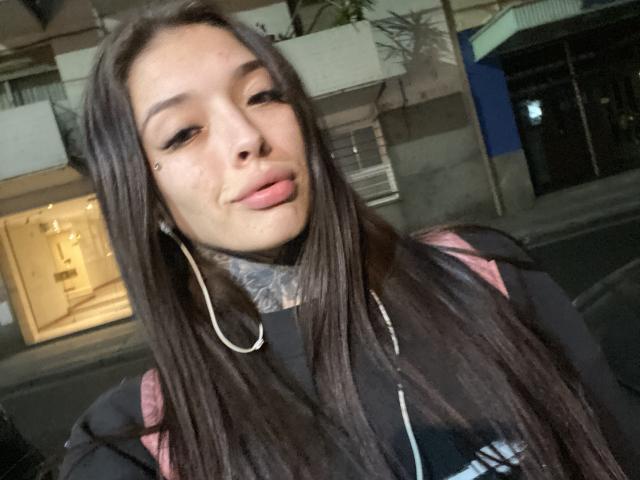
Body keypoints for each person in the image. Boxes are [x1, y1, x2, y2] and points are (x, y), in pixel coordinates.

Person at [60, 1, 640, 479]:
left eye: (262, 95)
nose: (247, 136)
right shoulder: (137, 444)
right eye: (184, 132)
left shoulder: (481, 275)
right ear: (146, 198)